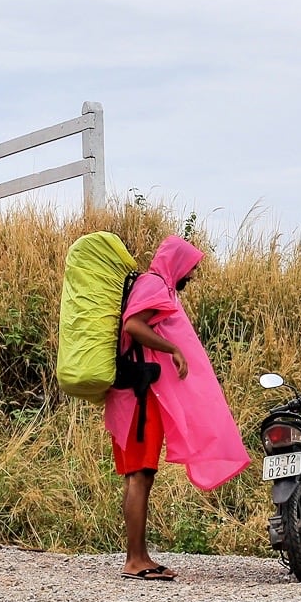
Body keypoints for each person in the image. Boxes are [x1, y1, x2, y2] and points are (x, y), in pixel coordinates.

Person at [103, 236, 249, 580]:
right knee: (141, 474)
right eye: (192, 266)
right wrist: (172, 349)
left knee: (136, 475)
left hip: (129, 394)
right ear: (178, 263)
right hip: (139, 395)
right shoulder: (154, 286)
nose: (193, 274)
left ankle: (137, 556)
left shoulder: (150, 285)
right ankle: (136, 560)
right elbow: (134, 326)